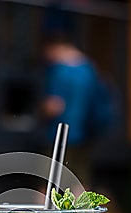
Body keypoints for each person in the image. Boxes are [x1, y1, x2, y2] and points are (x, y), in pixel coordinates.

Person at [41, 32, 118, 186]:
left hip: (60, 136)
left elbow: (53, 106)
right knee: (79, 185)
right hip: (85, 134)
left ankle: (45, 212)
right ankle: (84, 211)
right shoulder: (89, 68)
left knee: (49, 185)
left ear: (54, 48)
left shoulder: (59, 70)